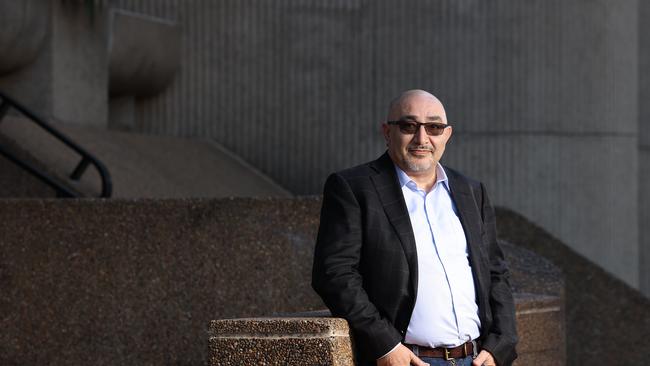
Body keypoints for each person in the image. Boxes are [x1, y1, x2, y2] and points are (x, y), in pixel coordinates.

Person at [312, 90, 517, 366]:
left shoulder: (471, 191)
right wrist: (385, 346)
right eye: (409, 126)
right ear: (387, 132)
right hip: (407, 360)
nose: (422, 139)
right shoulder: (354, 188)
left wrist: (500, 345)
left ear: (447, 134)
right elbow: (334, 273)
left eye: (433, 127)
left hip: (476, 358)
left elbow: (495, 272)